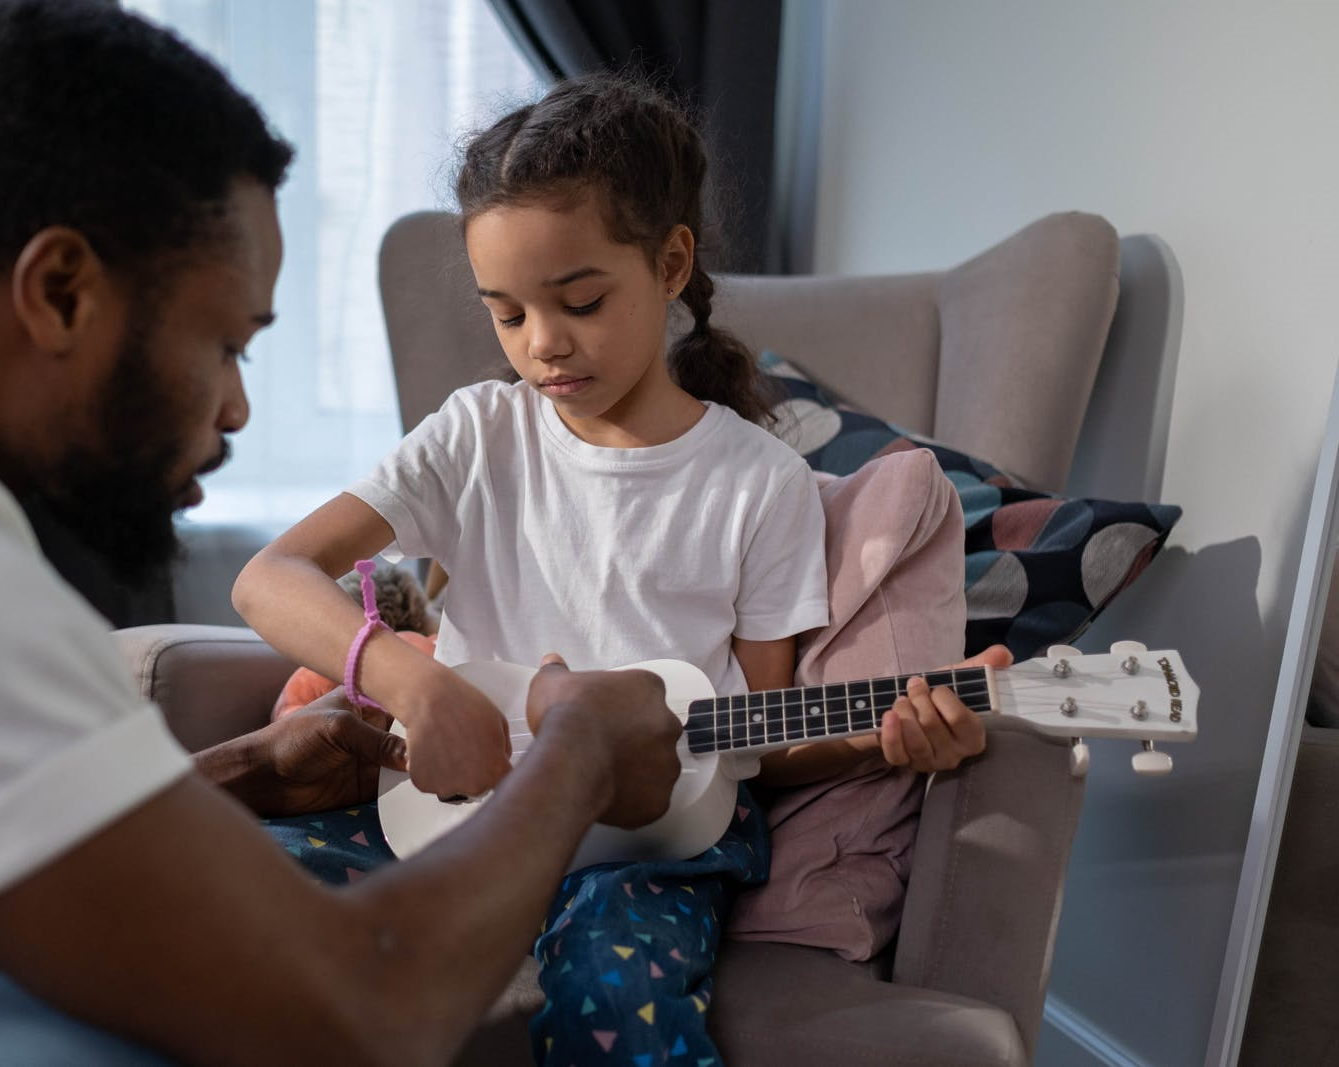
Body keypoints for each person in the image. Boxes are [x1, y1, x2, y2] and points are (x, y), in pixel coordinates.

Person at [0, 4, 690, 1065]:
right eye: (226, 343)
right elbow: (363, 1005)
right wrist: (579, 749)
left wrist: (235, 770)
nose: (235, 408)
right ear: (61, 292)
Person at [232, 73, 988, 1066]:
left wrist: (884, 737)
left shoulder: (759, 483)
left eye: (579, 300)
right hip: (452, 812)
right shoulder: (476, 433)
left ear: (670, 262)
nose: (541, 343)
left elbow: (757, 738)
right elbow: (268, 578)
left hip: (653, 843)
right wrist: (412, 679)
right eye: (506, 313)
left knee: (617, 993)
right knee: (245, 904)